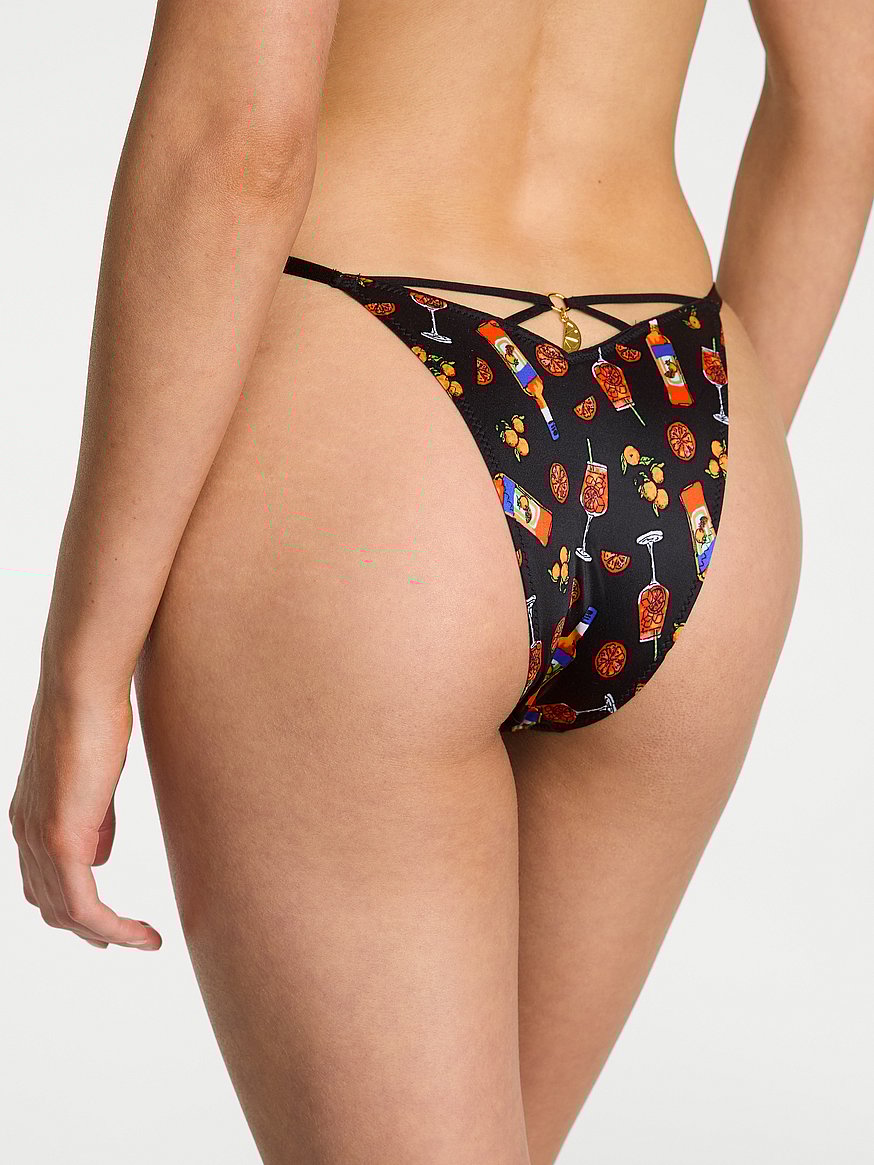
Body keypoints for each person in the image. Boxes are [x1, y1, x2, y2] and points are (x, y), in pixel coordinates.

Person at [8, 1, 872, 1161]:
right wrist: (697, 505)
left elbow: (236, 145)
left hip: (376, 437)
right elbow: (844, 102)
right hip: (685, 425)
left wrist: (82, 663)